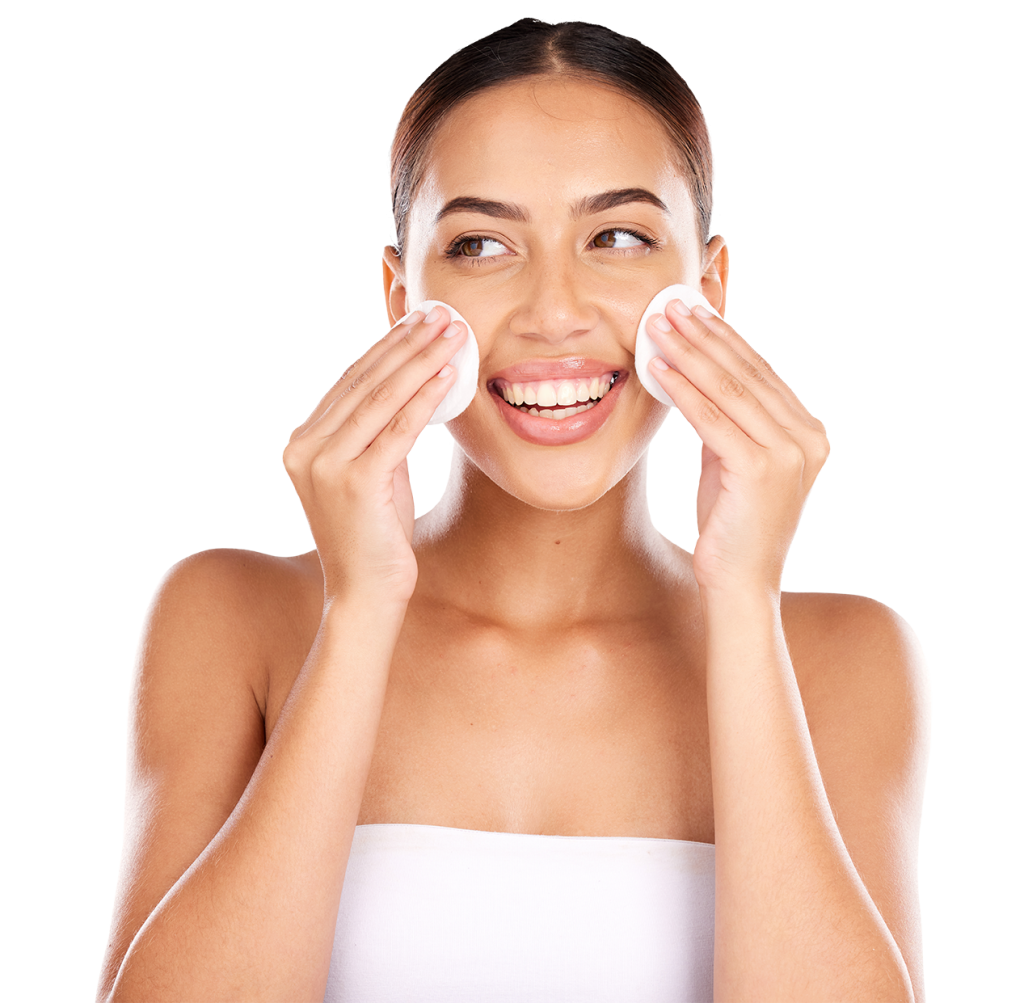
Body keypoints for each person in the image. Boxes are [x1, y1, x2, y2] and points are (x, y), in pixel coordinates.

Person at [96, 20, 926, 1003]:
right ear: (402, 299)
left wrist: (741, 599)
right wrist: (362, 608)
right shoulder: (231, 615)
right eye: (481, 244)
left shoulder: (842, 655)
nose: (553, 312)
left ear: (705, 289)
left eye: (616, 236)